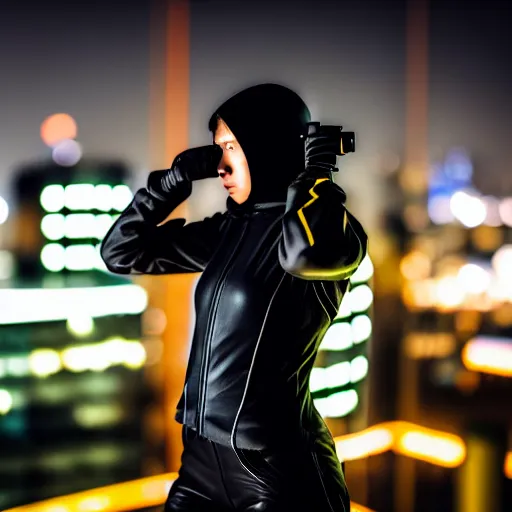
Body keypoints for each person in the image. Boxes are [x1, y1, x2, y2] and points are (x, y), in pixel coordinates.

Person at [100, 83, 368, 512]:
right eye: (216, 149)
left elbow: (305, 254)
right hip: (200, 462)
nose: (221, 165)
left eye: (231, 146)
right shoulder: (230, 229)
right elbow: (121, 251)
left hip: (275, 469)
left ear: (268, 148)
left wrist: (315, 171)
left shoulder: (332, 234)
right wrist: (174, 180)